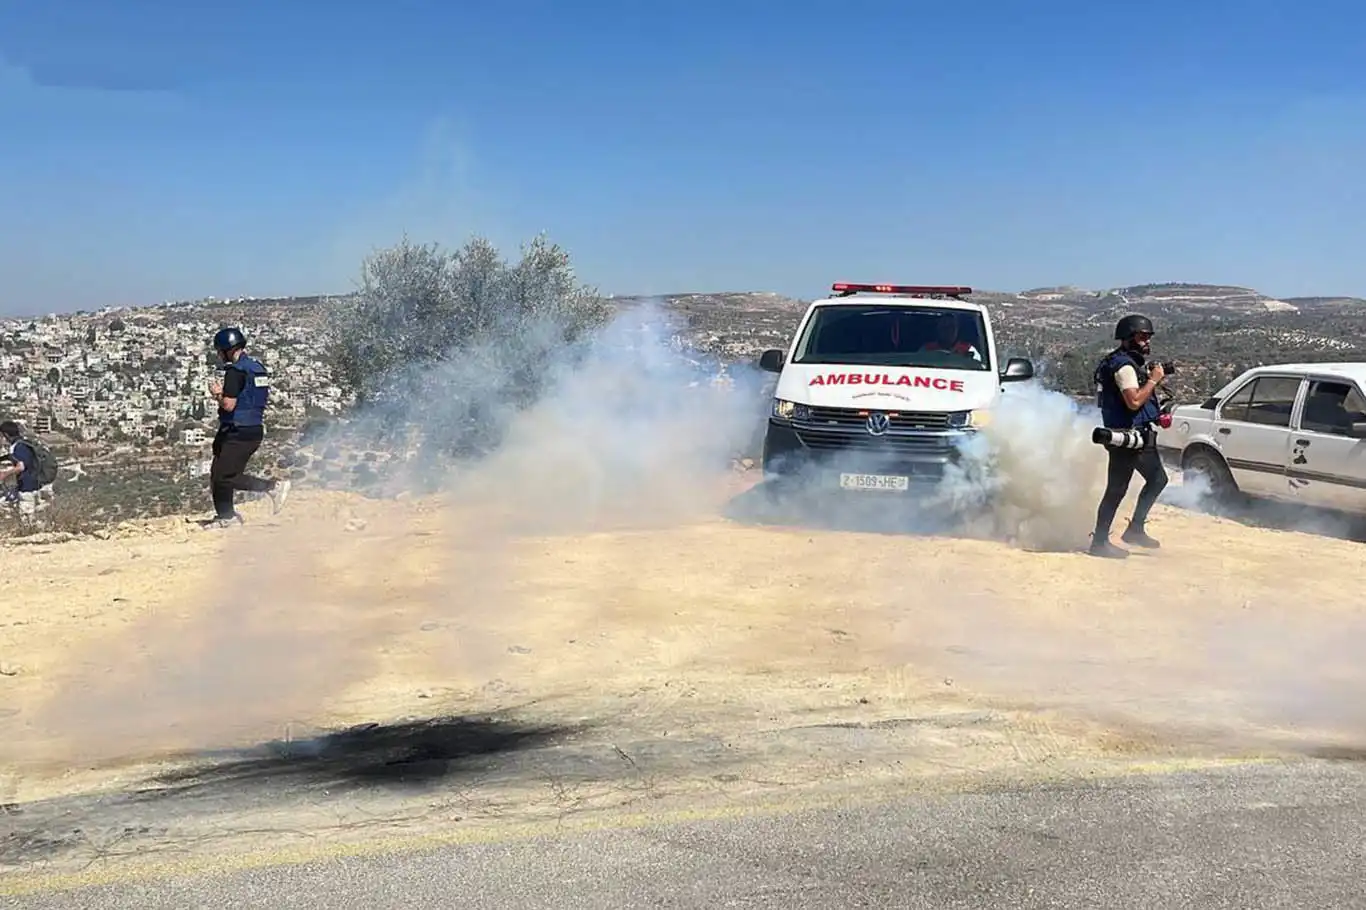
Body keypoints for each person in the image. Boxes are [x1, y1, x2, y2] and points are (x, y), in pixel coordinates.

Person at [1088, 314, 1169, 558]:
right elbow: (1133, 401)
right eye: (1142, 337)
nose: (1146, 342)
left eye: (1148, 337)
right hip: (1126, 437)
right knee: (1116, 489)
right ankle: (1099, 543)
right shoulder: (1123, 366)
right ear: (1128, 338)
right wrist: (1154, 380)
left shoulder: (1128, 363)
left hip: (1140, 436)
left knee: (1158, 479)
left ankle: (1135, 529)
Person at [206, 327, 290, 527]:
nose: (219, 355)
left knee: (225, 477)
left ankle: (272, 487)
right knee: (219, 473)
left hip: (238, 430)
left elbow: (229, 404)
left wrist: (217, 393)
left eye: (220, 351)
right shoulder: (256, 368)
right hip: (253, 428)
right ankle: (226, 518)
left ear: (228, 349)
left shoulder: (236, 372)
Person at [0, 420, 57, 526]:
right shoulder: (24, 443)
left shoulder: (18, 447)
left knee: (27, 518)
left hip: (27, 487)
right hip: (37, 484)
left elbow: (21, 467)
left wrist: (4, 474)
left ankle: (30, 535)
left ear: (5, 435)